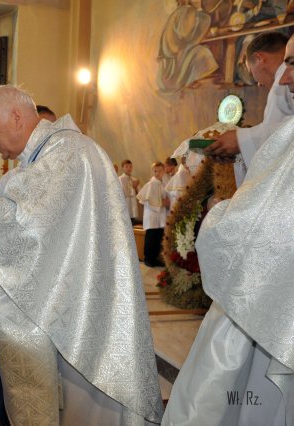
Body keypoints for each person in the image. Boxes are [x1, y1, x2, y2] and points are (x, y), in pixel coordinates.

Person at [0, 86, 163, 425]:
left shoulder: (65, 153)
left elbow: (27, 229)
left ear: (16, 117)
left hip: (81, 321)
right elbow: (44, 246)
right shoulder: (53, 154)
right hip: (72, 307)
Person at [162, 47, 294, 424]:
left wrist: (218, 217)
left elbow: (272, 227)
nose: (284, 78)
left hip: (274, 298)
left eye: (293, 65)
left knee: (239, 391)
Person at [206, 32, 294, 185]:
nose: (258, 84)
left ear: (259, 58)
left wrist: (240, 140)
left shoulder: (281, 84)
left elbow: (285, 137)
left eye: (252, 73)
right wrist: (240, 148)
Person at [137, 162, 170, 268]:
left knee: (158, 237)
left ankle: (154, 258)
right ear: (152, 171)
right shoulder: (152, 184)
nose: (157, 173)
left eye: (160, 171)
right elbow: (146, 200)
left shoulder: (162, 183)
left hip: (160, 216)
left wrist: (166, 202)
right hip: (152, 216)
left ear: (163, 171)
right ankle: (148, 259)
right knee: (151, 238)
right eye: (155, 171)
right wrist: (162, 203)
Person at [119, 159, 141, 224]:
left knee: (133, 213)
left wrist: (136, 187)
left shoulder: (134, 179)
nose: (129, 168)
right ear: (122, 168)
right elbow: (119, 192)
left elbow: (140, 193)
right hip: (125, 201)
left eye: (130, 166)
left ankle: (133, 219)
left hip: (133, 201)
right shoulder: (120, 179)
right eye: (126, 166)